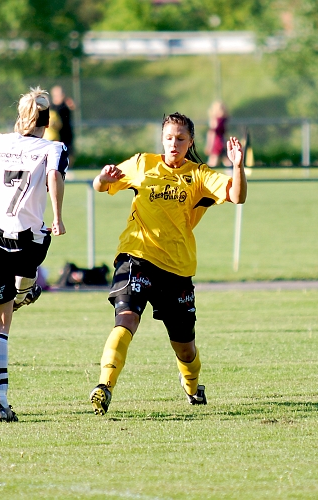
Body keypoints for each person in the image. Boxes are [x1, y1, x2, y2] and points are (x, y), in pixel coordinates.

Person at [89, 112, 247, 416]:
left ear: (190, 142)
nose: (173, 143)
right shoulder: (142, 163)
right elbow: (100, 185)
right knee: (126, 318)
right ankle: (104, 386)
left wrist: (237, 166)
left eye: (180, 138)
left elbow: (237, 196)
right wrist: (102, 179)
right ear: (162, 139)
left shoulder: (199, 175)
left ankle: (192, 386)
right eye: (169, 137)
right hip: (137, 255)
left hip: (177, 269)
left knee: (185, 348)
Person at [0, 86, 68, 422]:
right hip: (26, 243)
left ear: (18, 117)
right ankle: (24, 288)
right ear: (47, 123)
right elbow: (53, 177)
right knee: (29, 266)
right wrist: (58, 217)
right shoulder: (54, 147)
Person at [50, 85, 75, 164]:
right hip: (55, 133)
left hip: (66, 131)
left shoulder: (66, 103)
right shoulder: (51, 106)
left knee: (68, 150)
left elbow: (74, 107)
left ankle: (69, 167)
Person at [205, 100, 231, 168]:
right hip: (216, 143)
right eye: (221, 109)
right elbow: (211, 133)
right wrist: (209, 145)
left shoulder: (223, 120)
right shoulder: (215, 120)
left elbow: (225, 133)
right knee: (213, 162)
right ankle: (205, 176)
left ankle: (233, 176)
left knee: (227, 161)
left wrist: (227, 141)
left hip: (222, 142)